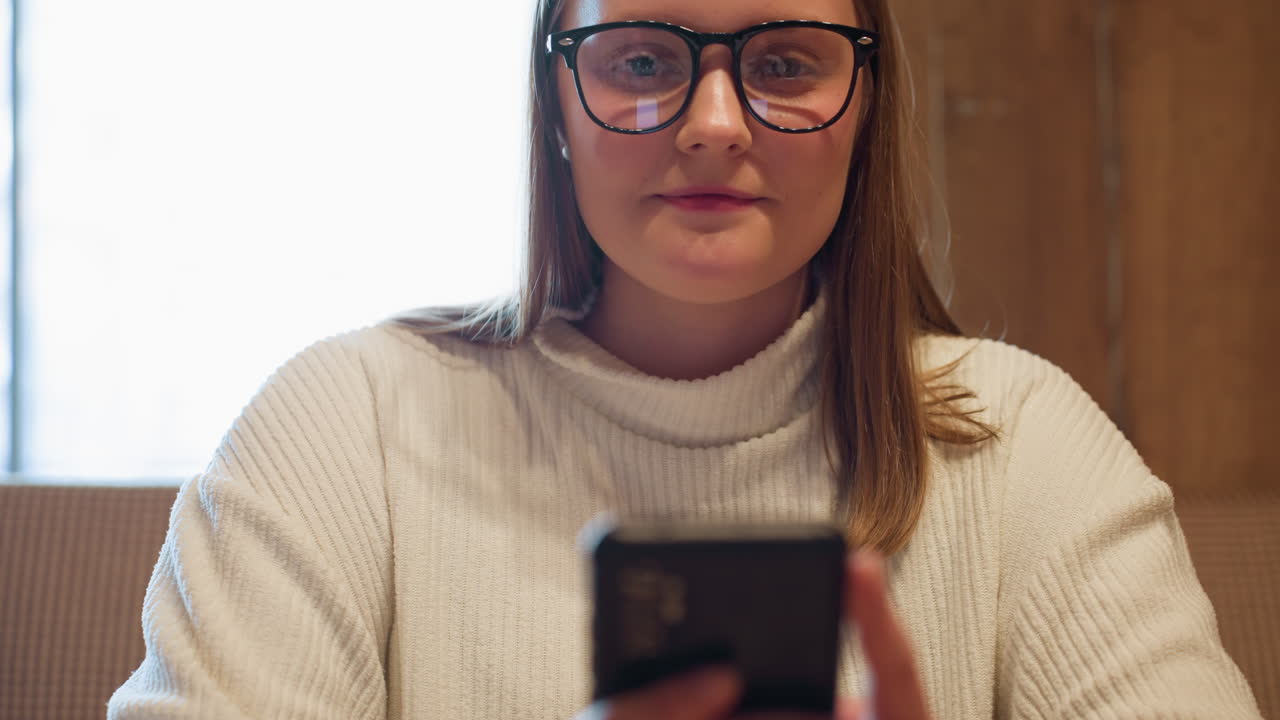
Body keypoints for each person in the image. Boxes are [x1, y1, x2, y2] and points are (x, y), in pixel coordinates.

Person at [108, 0, 1263, 717]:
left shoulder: (1024, 444)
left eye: (784, 64)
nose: (714, 122)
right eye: (642, 61)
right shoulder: (343, 427)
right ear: (556, 102)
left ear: (866, 108)